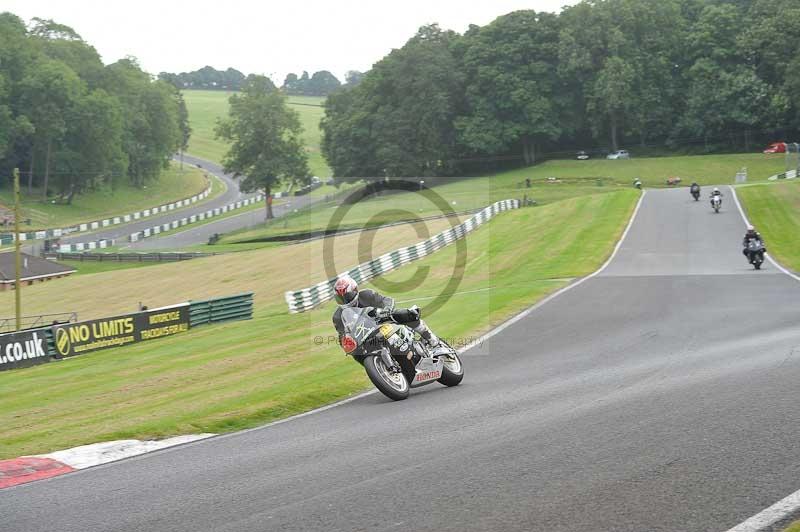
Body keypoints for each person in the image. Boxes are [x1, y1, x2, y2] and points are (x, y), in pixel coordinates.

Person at [332, 276, 441, 353]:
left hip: (383, 321)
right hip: (365, 337)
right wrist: (346, 342)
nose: (344, 299)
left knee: (408, 314)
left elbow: (387, 301)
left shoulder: (367, 295)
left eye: (347, 295)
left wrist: (387, 310)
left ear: (355, 291)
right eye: (340, 298)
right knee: (355, 353)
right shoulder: (337, 317)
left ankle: (432, 340)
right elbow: (342, 334)